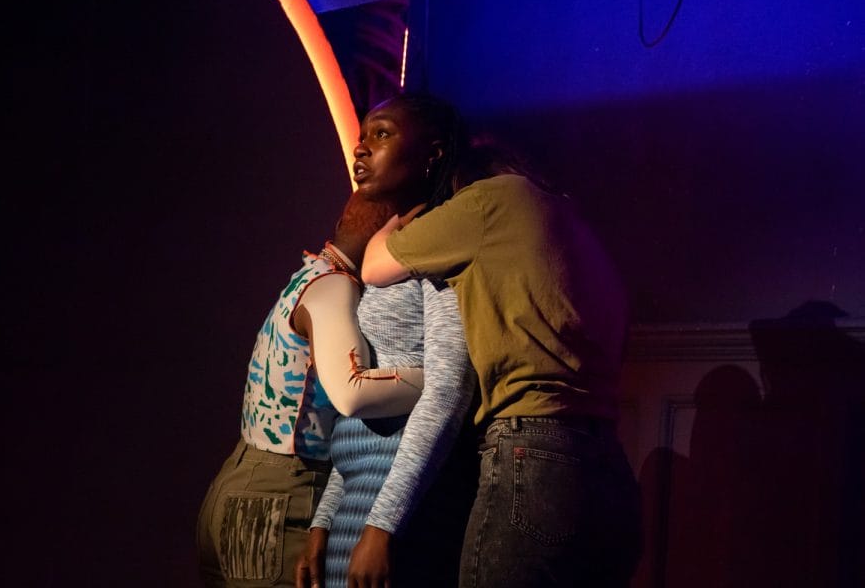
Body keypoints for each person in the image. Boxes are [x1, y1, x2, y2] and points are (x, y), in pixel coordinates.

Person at [362, 122, 643, 586]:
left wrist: (393, 224)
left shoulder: (488, 201)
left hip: (535, 452)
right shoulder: (573, 221)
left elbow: (375, 266)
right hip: (609, 467)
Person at [197, 190, 428, 588]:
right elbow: (351, 392)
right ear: (387, 231)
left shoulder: (308, 275)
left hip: (243, 482)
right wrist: (440, 380)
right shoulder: (333, 285)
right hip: (278, 496)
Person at [295, 93, 478, 588]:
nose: (361, 150)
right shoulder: (393, 253)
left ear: (433, 153)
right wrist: (322, 523)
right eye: (361, 138)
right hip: (355, 506)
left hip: (398, 511)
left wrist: (383, 527)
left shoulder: (440, 250)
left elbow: (446, 390)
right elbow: (368, 422)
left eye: (381, 134)